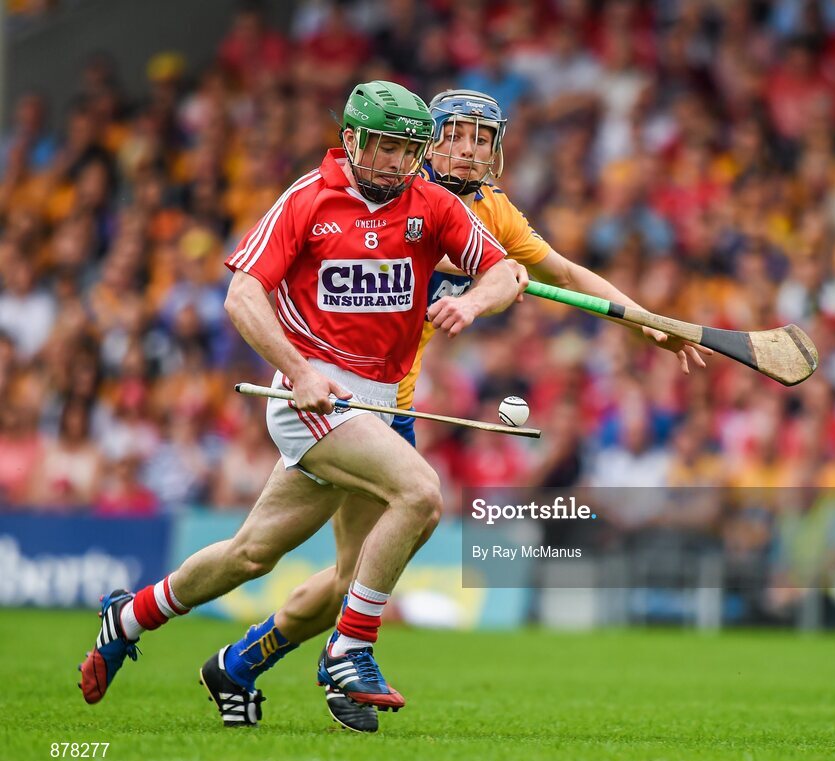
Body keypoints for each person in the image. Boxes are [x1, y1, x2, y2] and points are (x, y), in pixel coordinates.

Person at [200, 89, 711, 733]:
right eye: (455, 136)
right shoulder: (395, 199)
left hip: (396, 406)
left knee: (345, 583)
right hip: (342, 396)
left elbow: (567, 272)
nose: (468, 151)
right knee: (346, 546)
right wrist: (471, 277)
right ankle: (341, 664)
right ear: (424, 140)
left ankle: (244, 661)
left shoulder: (496, 213)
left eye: (481, 139)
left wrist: (646, 322)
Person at [77, 81, 522, 725]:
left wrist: (471, 300)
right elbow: (242, 297)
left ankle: (129, 616)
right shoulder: (308, 201)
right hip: (311, 397)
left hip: (378, 406)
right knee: (422, 495)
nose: (397, 163)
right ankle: (351, 648)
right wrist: (298, 371)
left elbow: (506, 271)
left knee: (253, 555)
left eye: (408, 150)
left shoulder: (430, 203)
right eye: (385, 147)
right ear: (352, 140)